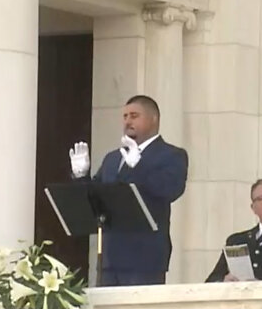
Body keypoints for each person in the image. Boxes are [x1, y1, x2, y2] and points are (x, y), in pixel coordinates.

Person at [69, 94, 188, 286]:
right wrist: (81, 176)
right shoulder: (113, 158)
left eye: (134, 116)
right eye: (124, 117)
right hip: (109, 258)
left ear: (153, 119)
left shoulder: (171, 154)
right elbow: (97, 198)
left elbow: (171, 189)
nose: (127, 121)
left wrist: (138, 166)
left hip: (145, 259)